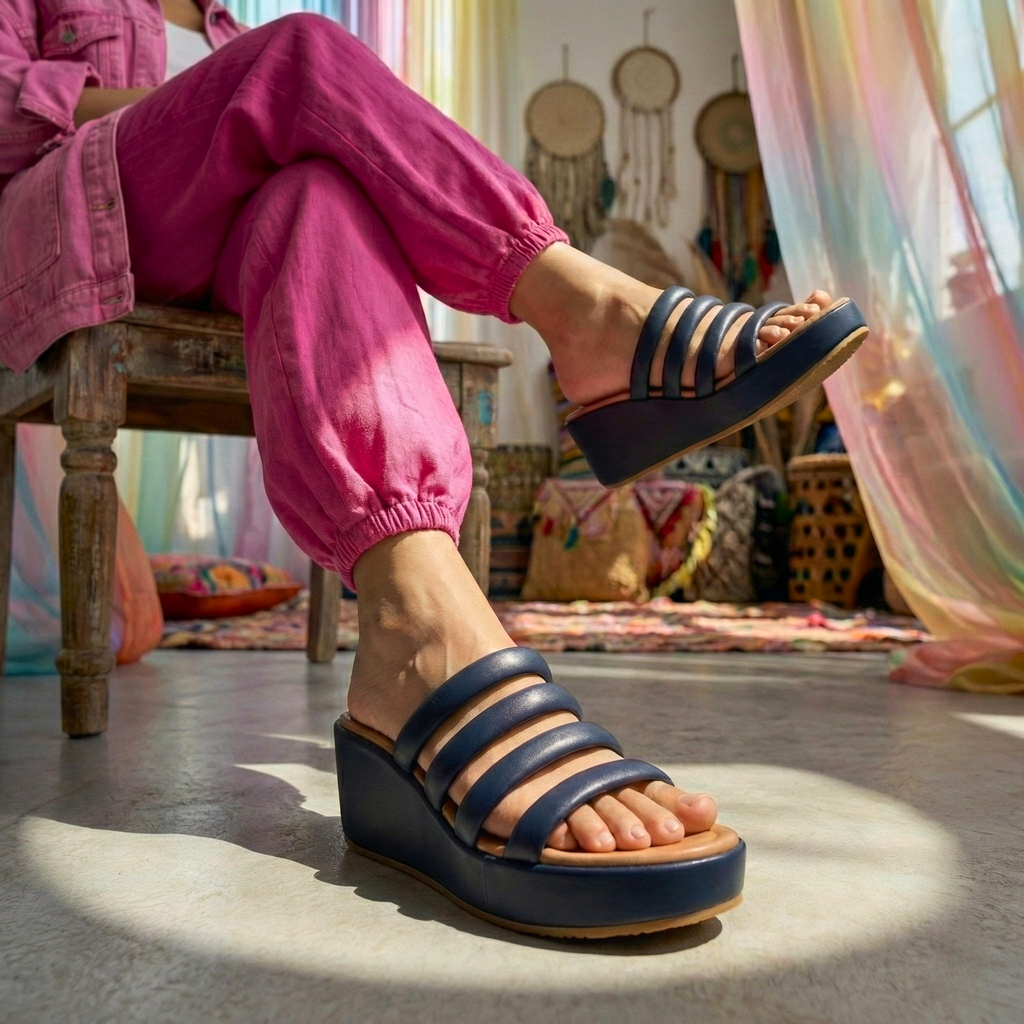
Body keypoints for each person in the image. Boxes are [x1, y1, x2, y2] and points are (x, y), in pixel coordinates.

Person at [0, 0, 863, 936]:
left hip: (211, 243)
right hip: (67, 226)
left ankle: (409, 625)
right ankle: (585, 314)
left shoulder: (214, 22)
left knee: (314, 195)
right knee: (294, 57)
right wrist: (196, 99)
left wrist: (227, 89)